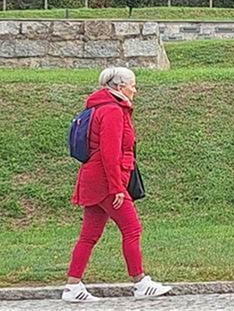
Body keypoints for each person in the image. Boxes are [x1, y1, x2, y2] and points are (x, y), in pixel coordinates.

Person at [62, 67, 171, 302]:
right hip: (106, 182)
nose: (135, 90)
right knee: (132, 229)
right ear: (120, 87)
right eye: (133, 85)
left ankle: (72, 286)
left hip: (93, 179)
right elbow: (110, 154)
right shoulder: (112, 111)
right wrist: (117, 187)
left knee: (89, 235)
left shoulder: (99, 107)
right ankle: (140, 283)